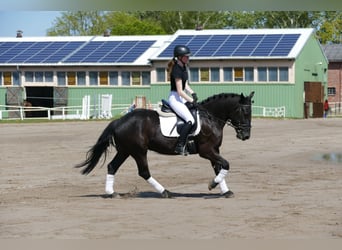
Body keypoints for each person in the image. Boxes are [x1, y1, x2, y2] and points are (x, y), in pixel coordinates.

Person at [167, 45, 198, 155]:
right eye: (186, 56)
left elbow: (185, 86)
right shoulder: (176, 69)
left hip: (181, 97)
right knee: (190, 120)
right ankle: (180, 145)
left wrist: (193, 93)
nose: (188, 58)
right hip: (175, 98)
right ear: (179, 57)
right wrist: (191, 100)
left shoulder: (183, 67)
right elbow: (180, 91)